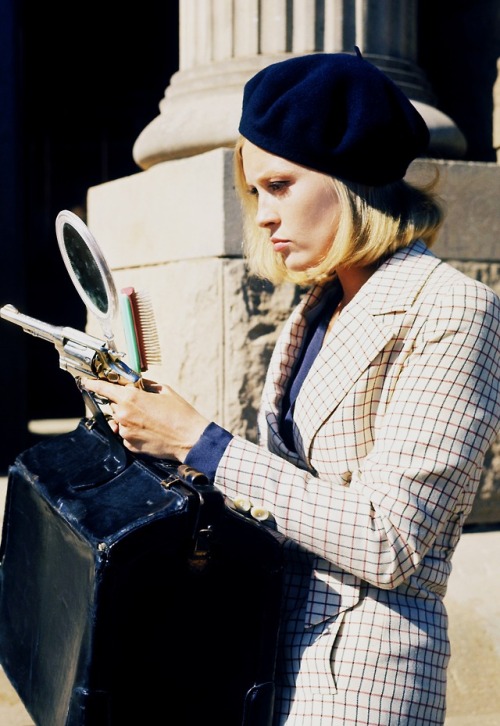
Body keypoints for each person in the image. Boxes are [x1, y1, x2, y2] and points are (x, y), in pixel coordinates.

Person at [83, 50, 500, 725]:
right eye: (256, 194)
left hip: (360, 678)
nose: (264, 216)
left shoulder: (450, 309)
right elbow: (290, 491)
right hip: (263, 661)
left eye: (279, 185)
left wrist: (205, 442)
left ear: (351, 179)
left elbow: (390, 543)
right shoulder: (313, 311)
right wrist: (160, 436)